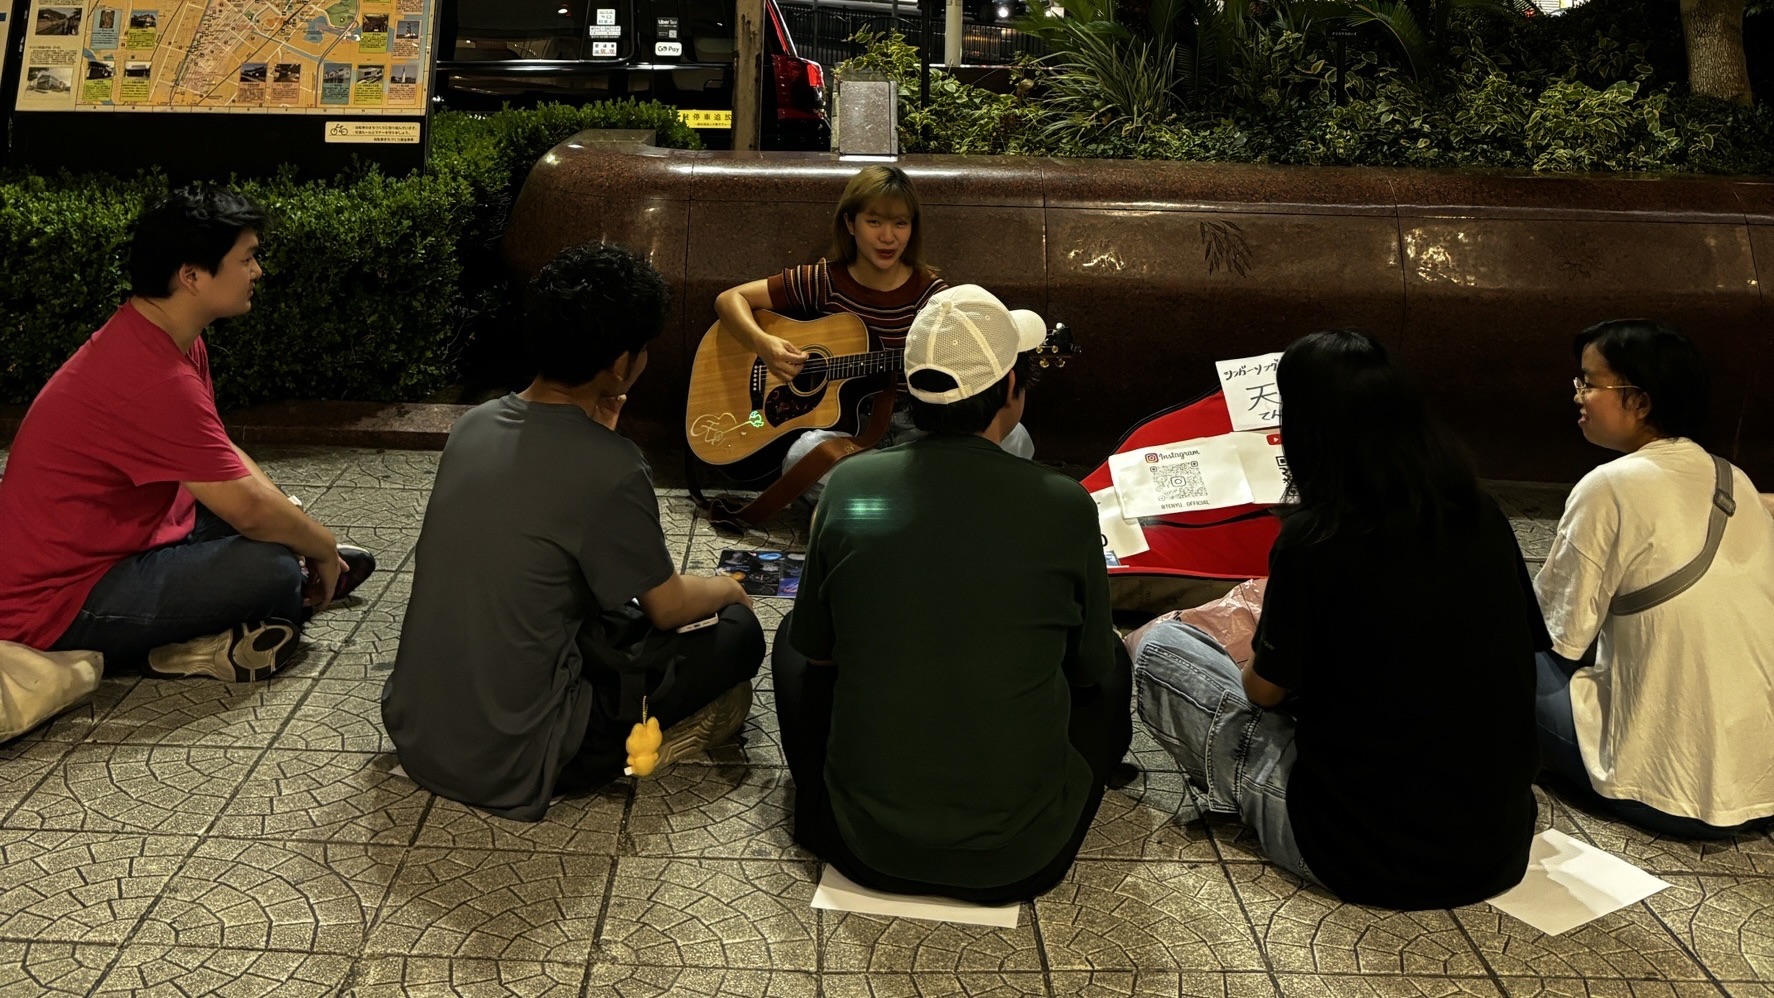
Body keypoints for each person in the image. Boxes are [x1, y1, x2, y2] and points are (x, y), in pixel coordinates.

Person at [1135, 330, 1544, 910]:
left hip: (1358, 854)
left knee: (1163, 649)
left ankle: (1244, 801)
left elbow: (1265, 691)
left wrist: (1259, 652)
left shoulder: (1316, 537)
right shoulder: (1480, 513)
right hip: (1497, 844)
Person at [771, 285, 1131, 903]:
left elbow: (820, 652)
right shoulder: (1063, 505)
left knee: (791, 644)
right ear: (1013, 386)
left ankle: (826, 790)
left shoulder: (852, 486)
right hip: (1022, 856)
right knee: (1115, 663)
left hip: (861, 844)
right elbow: (1090, 669)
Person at [382, 242, 765, 822]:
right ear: (620, 364)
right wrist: (731, 588)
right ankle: (666, 741)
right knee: (737, 634)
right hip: (521, 752)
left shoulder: (474, 427)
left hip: (420, 733)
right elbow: (666, 606)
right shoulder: (612, 468)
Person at [0, 185, 374, 681]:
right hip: (60, 602)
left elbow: (221, 456)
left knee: (274, 523)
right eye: (247, 259)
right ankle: (205, 638)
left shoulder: (161, 336)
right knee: (272, 569)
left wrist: (297, 527)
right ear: (192, 275)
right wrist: (319, 544)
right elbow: (249, 508)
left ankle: (264, 599)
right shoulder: (153, 376)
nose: (258, 272)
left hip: (128, 539)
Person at [1534, 319, 1774, 838]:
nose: (1577, 395)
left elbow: (1554, 633)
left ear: (1640, 402)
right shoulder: (1736, 478)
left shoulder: (1610, 486)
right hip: (1761, 786)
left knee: (1499, 662)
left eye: (1589, 383)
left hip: (1663, 789)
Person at [713, 165, 1033, 484]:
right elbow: (730, 299)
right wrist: (762, 344)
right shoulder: (824, 280)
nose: (888, 237)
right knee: (804, 454)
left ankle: (878, 498)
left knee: (1014, 438)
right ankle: (912, 495)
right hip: (849, 436)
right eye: (874, 221)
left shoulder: (934, 299)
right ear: (850, 223)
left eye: (900, 224)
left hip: (920, 431)